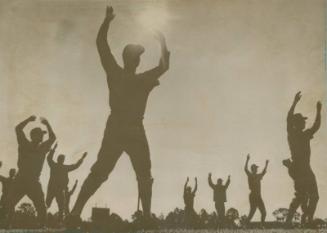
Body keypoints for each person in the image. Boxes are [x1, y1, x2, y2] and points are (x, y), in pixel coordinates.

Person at [70, 5, 170, 224]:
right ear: (134, 60)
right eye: (137, 56)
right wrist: (162, 42)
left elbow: (101, 46)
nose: (138, 59)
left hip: (118, 128)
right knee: (141, 174)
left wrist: (107, 22)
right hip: (130, 129)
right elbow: (164, 66)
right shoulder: (137, 79)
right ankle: (144, 215)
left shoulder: (117, 74)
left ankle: (75, 212)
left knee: (104, 173)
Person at [6, 116, 56, 227]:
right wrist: (28, 120)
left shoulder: (42, 147)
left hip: (31, 180)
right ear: (33, 136)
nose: (43, 137)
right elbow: (18, 128)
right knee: (9, 203)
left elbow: (52, 138)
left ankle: (42, 225)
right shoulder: (25, 143)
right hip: (22, 179)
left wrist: (47, 124)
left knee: (41, 206)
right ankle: (6, 224)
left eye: (43, 135)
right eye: (40, 135)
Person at [286, 91, 321, 225]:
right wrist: (294, 103)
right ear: (297, 123)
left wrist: (318, 111)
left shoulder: (305, 134)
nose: (304, 123)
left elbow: (316, 126)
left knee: (314, 196)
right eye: (302, 121)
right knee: (301, 196)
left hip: (306, 169)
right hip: (298, 169)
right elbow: (288, 119)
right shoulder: (292, 135)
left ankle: (308, 219)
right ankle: (290, 221)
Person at [46, 144, 86, 221]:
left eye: (62, 159)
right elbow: (49, 158)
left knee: (60, 207)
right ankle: (43, 220)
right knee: (49, 204)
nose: (61, 160)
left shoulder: (60, 167)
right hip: (53, 188)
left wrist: (82, 158)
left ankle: (59, 221)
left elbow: (75, 166)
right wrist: (53, 149)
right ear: (58, 159)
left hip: (58, 189)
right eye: (61, 159)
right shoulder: (56, 166)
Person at [244, 154, 268, 226]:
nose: (257, 169)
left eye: (257, 168)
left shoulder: (258, 176)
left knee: (264, 212)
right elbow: (245, 169)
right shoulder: (250, 175)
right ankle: (245, 225)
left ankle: (262, 226)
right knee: (252, 212)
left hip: (258, 196)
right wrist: (247, 160)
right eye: (255, 168)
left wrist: (266, 164)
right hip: (253, 195)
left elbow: (263, 172)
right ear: (253, 169)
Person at [283, 158, 308, 224]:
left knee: (303, 208)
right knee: (296, 207)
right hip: (300, 190)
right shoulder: (291, 170)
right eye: (288, 162)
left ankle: (302, 222)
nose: (290, 162)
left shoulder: (291, 169)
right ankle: (289, 223)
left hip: (302, 190)